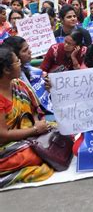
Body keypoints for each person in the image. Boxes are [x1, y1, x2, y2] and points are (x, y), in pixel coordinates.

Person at [0, 47, 54, 188]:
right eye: (17, 61)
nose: (20, 64)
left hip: (28, 133)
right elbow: (4, 135)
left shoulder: (19, 84)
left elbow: (35, 111)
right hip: (6, 145)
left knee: (61, 132)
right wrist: (35, 130)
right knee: (32, 155)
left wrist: (37, 124)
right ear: (6, 70)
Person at [2, 36, 52, 112]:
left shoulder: (32, 71)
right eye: (25, 50)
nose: (30, 51)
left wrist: (48, 88)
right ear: (14, 56)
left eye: (28, 48)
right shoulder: (14, 82)